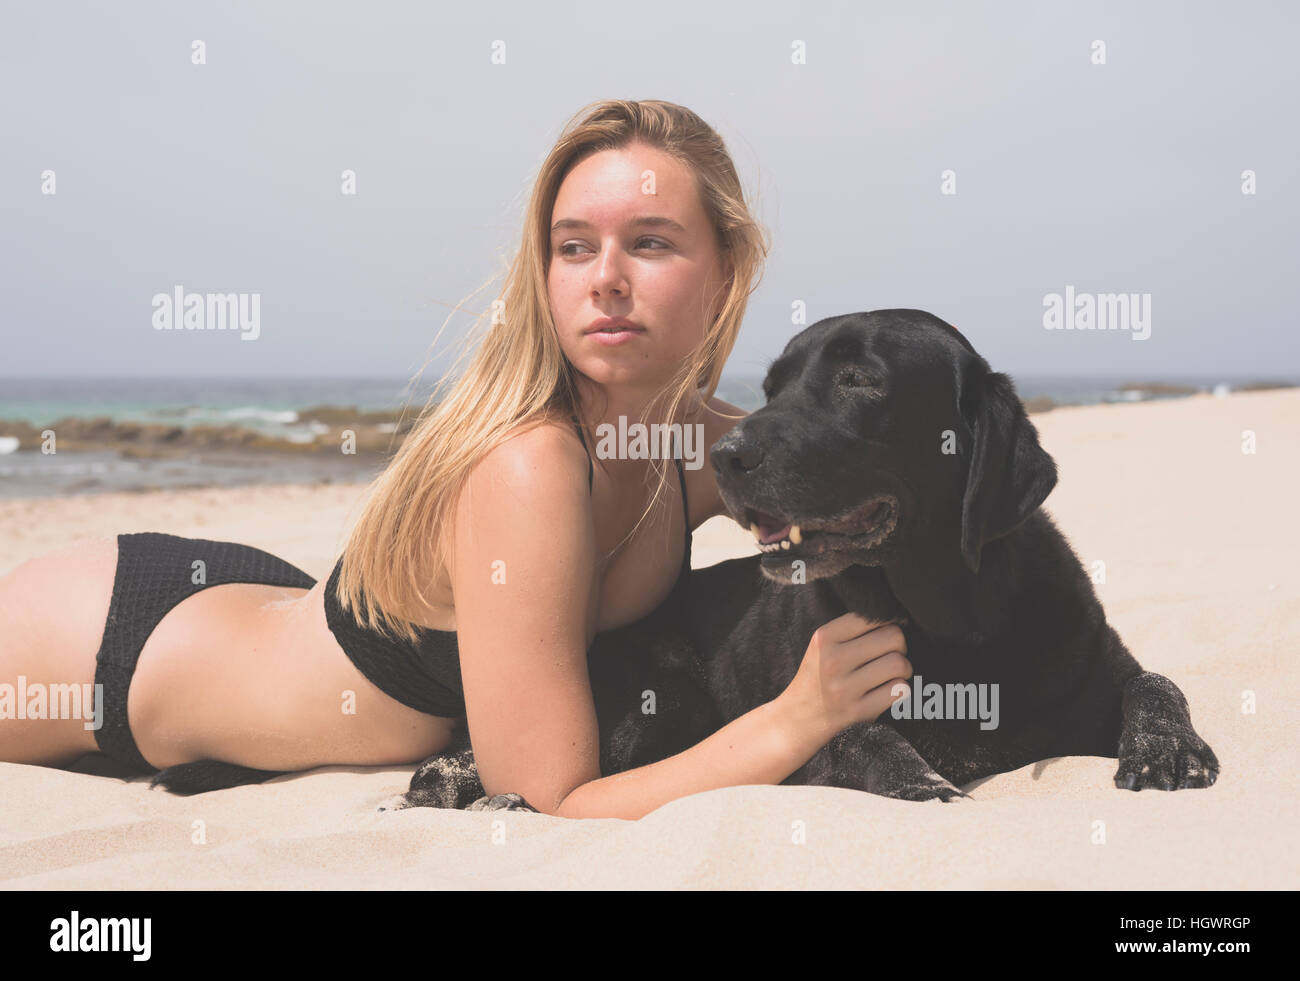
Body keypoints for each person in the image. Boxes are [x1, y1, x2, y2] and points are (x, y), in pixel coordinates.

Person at [0, 99, 911, 820]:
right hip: (115, 655)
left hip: (268, 604)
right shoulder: (530, 465)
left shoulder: (704, 440)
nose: (605, 277)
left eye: (650, 242)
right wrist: (798, 717)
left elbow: (877, 490)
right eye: (573, 246)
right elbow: (557, 803)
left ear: (726, 268)